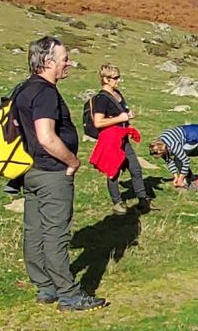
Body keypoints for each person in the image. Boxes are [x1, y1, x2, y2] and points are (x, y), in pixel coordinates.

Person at [12, 36, 107, 311]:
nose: (69, 64)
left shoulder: (23, 89)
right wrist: (72, 161)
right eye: (65, 59)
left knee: (34, 230)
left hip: (30, 170)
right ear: (48, 62)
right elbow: (46, 137)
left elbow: (19, 126)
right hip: (52, 172)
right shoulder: (45, 93)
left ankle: (45, 286)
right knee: (55, 233)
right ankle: (69, 294)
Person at [84, 64, 150, 208]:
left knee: (135, 168)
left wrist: (128, 115)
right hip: (110, 140)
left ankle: (143, 199)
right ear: (105, 79)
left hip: (123, 137)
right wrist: (121, 118)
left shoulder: (117, 94)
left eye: (118, 77)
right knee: (113, 170)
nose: (118, 80)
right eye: (115, 78)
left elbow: (122, 113)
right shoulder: (101, 98)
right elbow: (98, 122)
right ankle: (117, 201)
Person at [149, 124, 198, 190]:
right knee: (177, 159)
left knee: (178, 159)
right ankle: (187, 178)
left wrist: (180, 179)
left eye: (161, 154)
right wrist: (176, 177)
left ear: (163, 149)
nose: (161, 156)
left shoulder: (173, 145)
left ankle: (191, 181)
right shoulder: (159, 145)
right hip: (182, 135)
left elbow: (186, 161)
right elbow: (169, 161)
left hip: (194, 136)